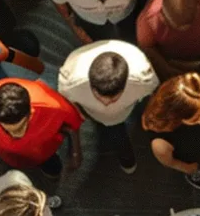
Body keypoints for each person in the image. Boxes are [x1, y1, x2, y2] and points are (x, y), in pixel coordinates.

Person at [58, 40, 159, 172]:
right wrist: (81, 114)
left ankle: (125, 154)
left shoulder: (144, 78)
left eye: (113, 99)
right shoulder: (70, 82)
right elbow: (66, 100)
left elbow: (153, 93)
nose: (106, 104)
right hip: (92, 114)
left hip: (124, 112)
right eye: (99, 96)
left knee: (117, 132)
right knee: (116, 133)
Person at [0, 77, 85, 176]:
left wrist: (75, 153)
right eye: (7, 129)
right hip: (9, 156)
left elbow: (73, 124)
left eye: (21, 126)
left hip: (46, 152)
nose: (17, 135)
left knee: (53, 170)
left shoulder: (52, 106)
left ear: (31, 111)